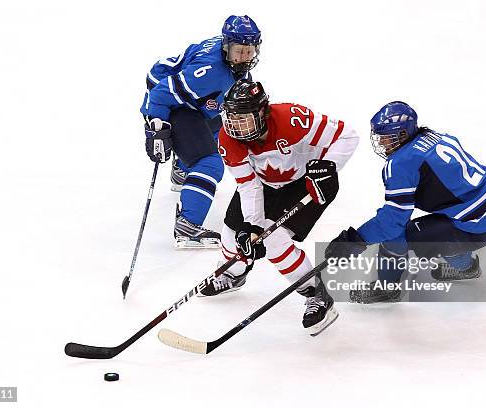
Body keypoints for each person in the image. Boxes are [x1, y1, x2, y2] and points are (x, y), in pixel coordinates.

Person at [199, 79, 360, 336]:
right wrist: (252, 226)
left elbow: (347, 136)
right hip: (263, 183)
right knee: (233, 235)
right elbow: (248, 185)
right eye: (231, 119)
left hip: (307, 184)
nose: (235, 127)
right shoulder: (228, 139)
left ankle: (315, 293)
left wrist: (328, 167)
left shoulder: (292, 119)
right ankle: (235, 274)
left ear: (263, 112)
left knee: (274, 240)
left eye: (243, 119)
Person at [325, 101, 486, 303]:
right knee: (443, 228)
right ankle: (467, 266)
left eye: (386, 137)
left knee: (396, 235)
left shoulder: (401, 163)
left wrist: (353, 240)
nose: (382, 142)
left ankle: (387, 289)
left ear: (402, 135)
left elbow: (392, 222)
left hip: (476, 227)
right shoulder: (436, 136)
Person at [140, 15, 261, 249]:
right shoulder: (209, 73)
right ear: (226, 47)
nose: (244, 57)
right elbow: (159, 95)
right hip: (171, 103)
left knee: (218, 124)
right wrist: (156, 129)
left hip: (194, 103)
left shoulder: (228, 57)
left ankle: (183, 170)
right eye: (239, 52)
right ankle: (188, 225)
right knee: (210, 163)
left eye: (249, 51)